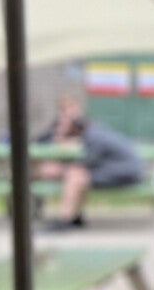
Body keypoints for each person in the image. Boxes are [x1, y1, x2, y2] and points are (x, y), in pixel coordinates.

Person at [36, 95, 145, 229]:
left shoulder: (94, 136)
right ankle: (75, 217)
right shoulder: (91, 131)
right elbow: (41, 142)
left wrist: (61, 168)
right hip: (119, 169)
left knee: (77, 176)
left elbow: (86, 163)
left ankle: (65, 219)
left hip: (127, 172)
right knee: (76, 174)